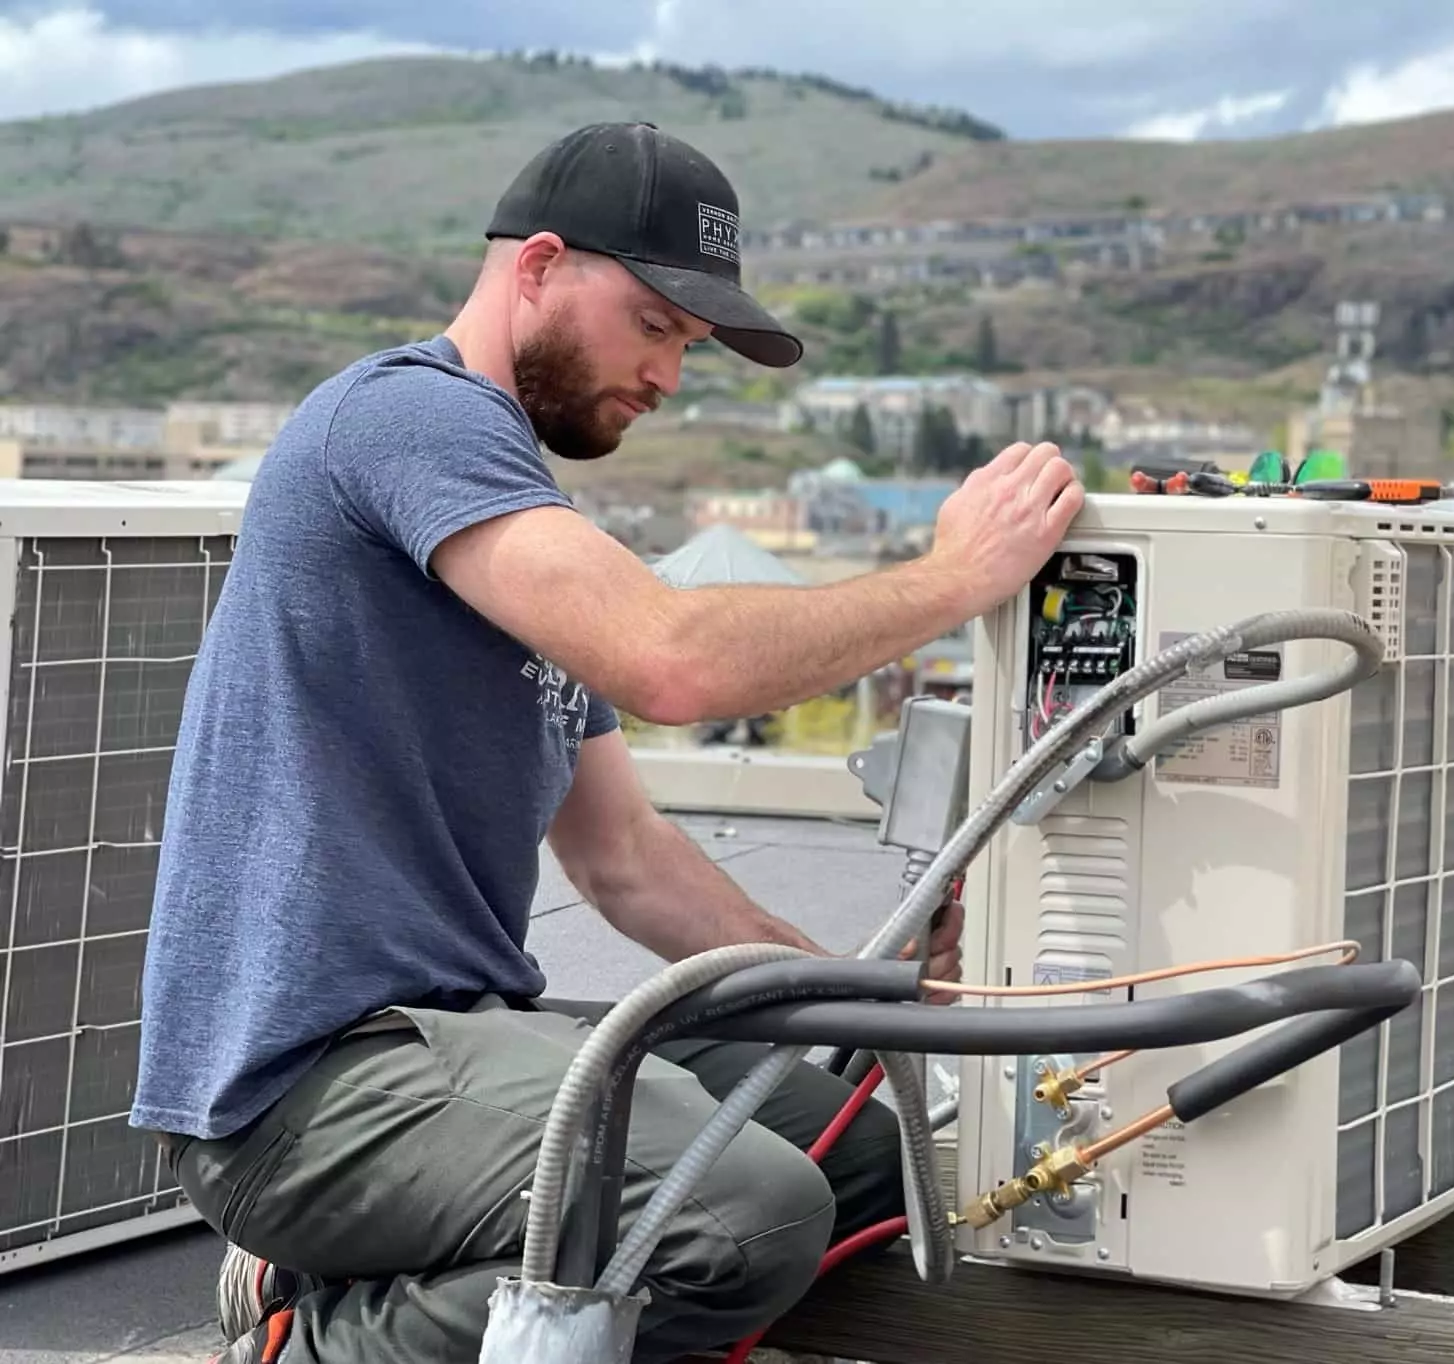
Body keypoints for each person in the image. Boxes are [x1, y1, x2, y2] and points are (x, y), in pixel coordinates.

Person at [129, 121, 1083, 1364]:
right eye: (653, 326)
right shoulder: (403, 418)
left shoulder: (509, 521)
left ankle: (372, 1273)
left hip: (465, 1046)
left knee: (866, 1133)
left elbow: (625, 854)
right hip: (305, 1090)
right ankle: (309, 1340)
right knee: (739, 1214)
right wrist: (956, 576)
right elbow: (673, 660)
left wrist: (864, 997)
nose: (671, 377)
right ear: (537, 266)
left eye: (687, 347)